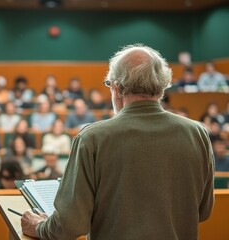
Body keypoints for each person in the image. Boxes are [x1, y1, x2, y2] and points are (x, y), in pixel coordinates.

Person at [21, 45, 214, 239]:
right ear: (162, 87)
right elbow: (203, 211)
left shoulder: (92, 138)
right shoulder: (197, 134)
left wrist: (39, 227)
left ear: (117, 88)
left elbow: (69, 226)